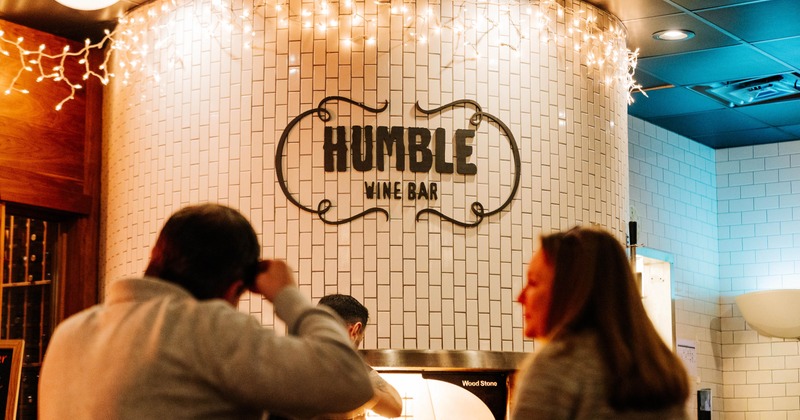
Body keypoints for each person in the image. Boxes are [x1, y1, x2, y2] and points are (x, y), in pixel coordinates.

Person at [39, 203, 373, 419]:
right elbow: (350, 381)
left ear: (156, 255)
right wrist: (287, 295)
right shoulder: (206, 327)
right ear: (233, 288)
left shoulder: (69, 332)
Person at [511, 226, 689, 419]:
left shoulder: (558, 365)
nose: (520, 297)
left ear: (570, 291)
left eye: (533, 282)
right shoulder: (660, 370)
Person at [316, 294, 403, 419]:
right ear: (355, 330)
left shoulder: (295, 358)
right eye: (360, 339)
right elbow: (394, 407)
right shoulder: (350, 376)